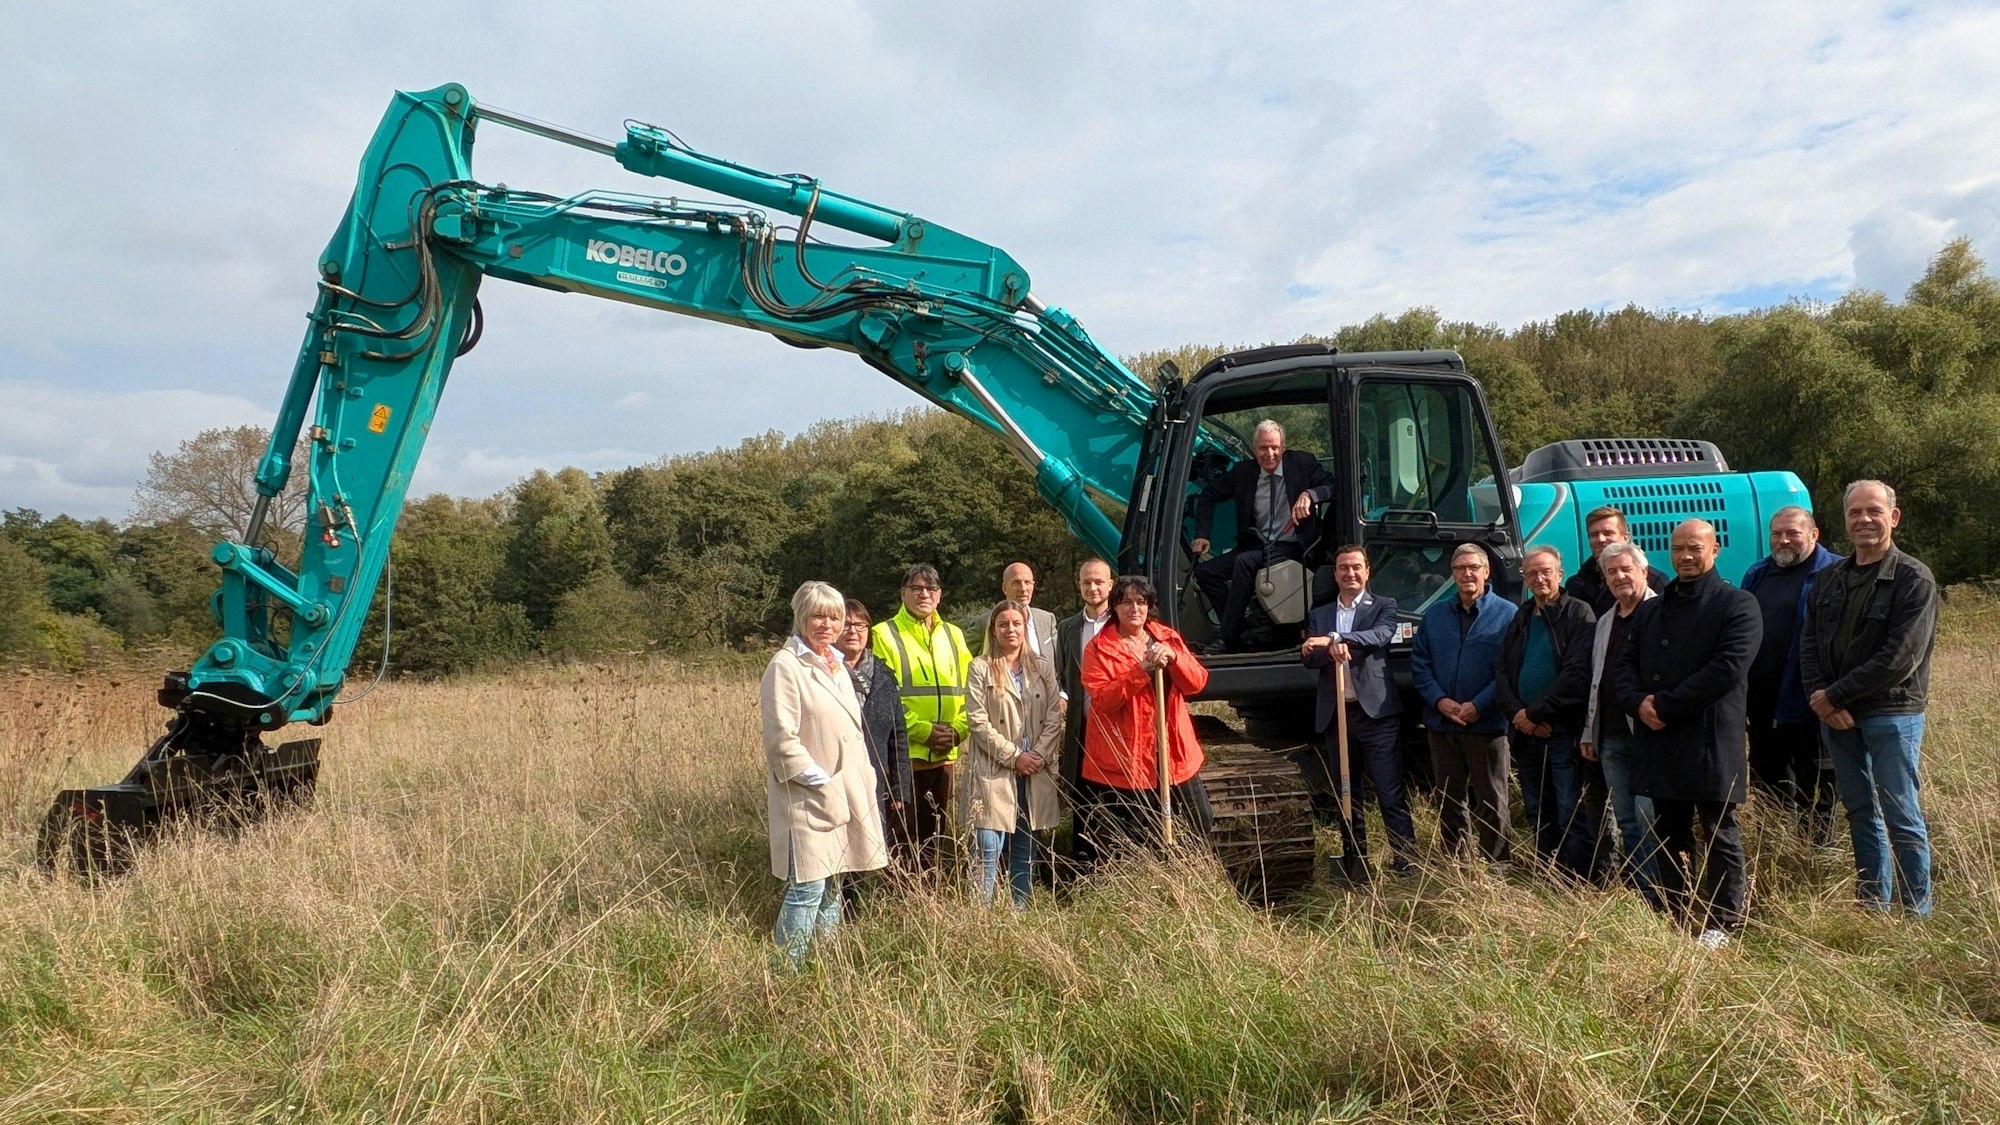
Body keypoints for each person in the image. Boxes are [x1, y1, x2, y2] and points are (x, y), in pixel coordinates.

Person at [1616, 520, 1761, 947]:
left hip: (1708, 739)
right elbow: (1623, 667)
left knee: (1719, 830)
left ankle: (1724, 921)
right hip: (1659, 738)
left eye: (1694, 548)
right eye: (1678, 548)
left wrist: (1663, 705)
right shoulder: (1651, 610)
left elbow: (1728, 669)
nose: (1684, 556)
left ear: (1714, 550)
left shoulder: (1738, 605)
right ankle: (1673, 913)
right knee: (1668, 830)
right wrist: (1637, 703)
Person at [1801, 480, 1940, 917]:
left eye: (1873, 511)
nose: (1864, 519)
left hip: (1891, 714)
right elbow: (1808, 643)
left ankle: (1917, 913)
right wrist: (1819, 697)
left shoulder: (1913, 578)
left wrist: (1833, 696)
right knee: (1860, 811)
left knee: (1901, 814)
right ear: (1845, 520)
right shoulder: (1828, 578)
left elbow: (1899, 657)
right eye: (1855, 512)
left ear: (1893, 517)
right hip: (1837, 717)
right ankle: (1872, 907)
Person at [761, 581, 889, 968]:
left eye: (833, 616)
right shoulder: (785, 667)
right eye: (818, 615)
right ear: (801, 616)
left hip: (846, 791)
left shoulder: (834, 663)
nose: (827, 624)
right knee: (807, 887)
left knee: (834, 883)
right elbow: (781, 742)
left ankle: (824, 965)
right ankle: (786, 973)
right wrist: (821, 780)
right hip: (809, 795)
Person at [1299, 545, 1413, 880]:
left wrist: (1334, 638)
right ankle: (1354, 857)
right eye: (1343, 568)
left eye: (1356, 567)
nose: (1350, 573)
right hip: (1337, 714)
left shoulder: (1383, 606)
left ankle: (1406, 861)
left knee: (1389, 789)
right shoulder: (1319, 613)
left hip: (1375, 713)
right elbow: (1308, 657)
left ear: (1367, 571)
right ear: (1334, 574)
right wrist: (1323, 647)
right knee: (1346, 790)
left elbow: (1379, 637)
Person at [1078, 575, 1214, 855]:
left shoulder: (1167, 637)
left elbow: (1197, 682)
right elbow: (1103, 701)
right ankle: (1149, 888)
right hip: (1128, 757)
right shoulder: (1098, 649)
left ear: (1149, 606)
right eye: (1126, 602)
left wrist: (1176, 658)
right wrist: (1140, 671)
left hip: (1174, 750)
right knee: (1137, 836)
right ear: (1114, 607)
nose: (1134, 608)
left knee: (1200, 820)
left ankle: (1191, 879)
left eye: (1141, 602)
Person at [1493, 545, 1599, 878]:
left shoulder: (1579, 613)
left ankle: (1578, 878)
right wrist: (1518, 716)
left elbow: (1576, 673)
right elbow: (1502, 671)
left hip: (1561, 728)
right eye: (1532, 573)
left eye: (1545, 572)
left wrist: (1536, 713)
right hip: (1526, 733)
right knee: (1537, 808)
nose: (1539, 578)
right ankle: (1548, 873)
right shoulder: (1521, 615)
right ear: (1523, 578)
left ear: (1560, 573)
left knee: (1569, 805)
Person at [1740, 506, 1843, 843]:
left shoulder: (1836, 572)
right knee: (1768, 785)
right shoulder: (1757, 574)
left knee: (1816, 791)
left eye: (1792, 533)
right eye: (1776, 534)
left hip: (1812, 705)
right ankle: (1773, 856)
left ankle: (1814, 861)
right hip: (1763, 706)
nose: (1783, 540)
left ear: (1814, 534)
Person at [1410, 543, 1517, 867]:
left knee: (1492, 798)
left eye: (1473, 567)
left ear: (1486, 572)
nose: (1467, 574)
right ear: (1452, 574)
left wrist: (1479, 705)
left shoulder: (1507, 615)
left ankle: (1497, 867)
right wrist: (1440, 701)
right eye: (1460, 568)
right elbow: (1420, 664)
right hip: (1442, 725)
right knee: (1448, 799)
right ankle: (1458, 866)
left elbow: (1509, 669)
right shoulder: (1435, 616)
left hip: (1486, 724)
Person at [1189, 420, 1336, 653]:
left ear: (1283, 447)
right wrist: (1202, 535)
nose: (1270, 454)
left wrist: (1311, 494)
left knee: (1245, 562)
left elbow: (1335, 485)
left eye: (1275, 447)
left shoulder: (1302, 464)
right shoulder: (1243, 473)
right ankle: (1245, 631)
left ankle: (1227, 638)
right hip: (1256, 544)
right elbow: (1208, 495)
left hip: (1294, 546)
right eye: (1263, 448)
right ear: (1254, 449)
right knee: (1206, 572)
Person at [962, 600, 1065, 906]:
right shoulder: (979, 668)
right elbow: (977, 722)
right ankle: (982, 915)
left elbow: (1053, 716)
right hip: (994, 770)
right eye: (1003, 624)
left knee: (1025, 845)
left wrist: (1037, 756)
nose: (1010, 629)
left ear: (1025, 627)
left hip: (1034, 771)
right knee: (988, 845)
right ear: (993, 630)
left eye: (1016, 623)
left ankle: (1019, 912)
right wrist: (1013, 756)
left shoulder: (1042, 668)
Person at [870, 564, 972, 874]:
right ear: (903, 594)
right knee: (901, 835)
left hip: (945, 756)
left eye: (930, 589)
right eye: (916, 588)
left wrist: (959, 730)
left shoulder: (953, 635)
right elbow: (885, 696)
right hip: (905, 756)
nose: (923, 593)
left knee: (935, 834)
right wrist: (922, 731)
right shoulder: (883, 634)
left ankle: (930, 894)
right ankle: (903, 901)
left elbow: (972, 690)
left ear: (940, 596)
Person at [1579, 541, 1664, 908]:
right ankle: (1642, 894)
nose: (1619, 577)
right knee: (1627, 820)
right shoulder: (1605, 622)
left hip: (1650, 737)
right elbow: (1597, 679)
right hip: (1611, 736)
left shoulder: (1661, 613)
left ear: (1643, 572)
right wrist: (1589, 730)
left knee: (1650, 819)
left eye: (1625, 569)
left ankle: (1662, 894)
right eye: (1611, 572)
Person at [836, 598, 913, 870]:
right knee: (836, 855)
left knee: (866, 854)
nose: (853, 631)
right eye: (846, 624)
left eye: (861, 625)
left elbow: (898, 735)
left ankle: (857, 909)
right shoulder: (821, 673)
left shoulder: (883, 674)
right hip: (834, 780)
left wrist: (900, 788)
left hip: (874, 781)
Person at [1054, 558, 1115, 876]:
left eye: (1098, 582)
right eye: (1086, 582)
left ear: (1110, 585)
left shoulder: (1122, 624)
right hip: (1082, 729)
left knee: (1120, 804)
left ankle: (1121, 867)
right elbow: (1063, 676)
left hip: (1119, 731)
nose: (1092, 588)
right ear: (1079, 585)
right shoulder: (1067, 628)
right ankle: (1084, 870)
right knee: (1083, 803)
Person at [1564, 506, 1669, 615]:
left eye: (1608, 533)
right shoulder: (1576, 585)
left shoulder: (1655, 581)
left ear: (1625, 538)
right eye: (1594, 535)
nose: (1601, 539)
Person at [999, 561, 1061, 662]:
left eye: (1027, 582)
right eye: (1016, 583)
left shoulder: (1047, 619)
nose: (1023, 589)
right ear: (1004, 588)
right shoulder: (986, 623)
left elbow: (1060, 661)